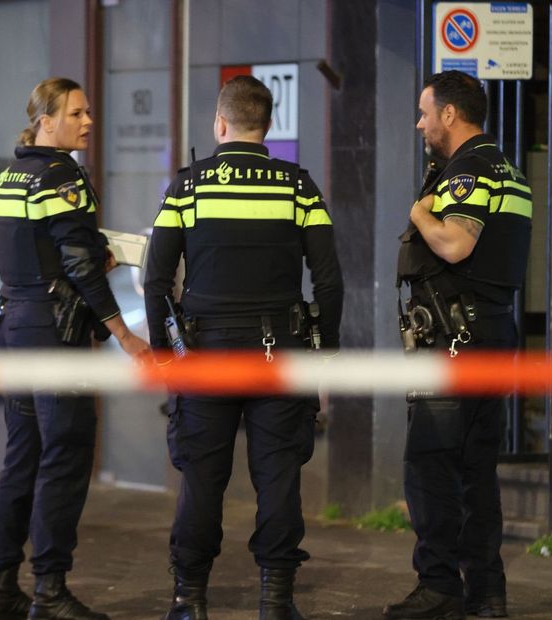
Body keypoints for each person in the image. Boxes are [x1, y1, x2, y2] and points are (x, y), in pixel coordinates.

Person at [144, 75, 343, 620]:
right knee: (278, 476)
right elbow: (328, 281)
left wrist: (164, 353)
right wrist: (325, 358)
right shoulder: (298, 187)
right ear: (269, 125)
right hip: (281, 352)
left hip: (204, 357)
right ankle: (275, 603)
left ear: (220, 123)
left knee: (202, 480)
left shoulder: (187, 187)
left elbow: (156, 279)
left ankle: (189, 601)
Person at [0, 77, 150, 620]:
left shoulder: (10, 175)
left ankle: (1, 590)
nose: (88, 121)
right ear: (45, 121)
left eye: (88, 111)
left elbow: (21, 255)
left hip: (14, 328)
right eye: (76, 113)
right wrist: (124, 334)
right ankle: (50, 591)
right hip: (56, 335)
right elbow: (79, 265)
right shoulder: (61, 175)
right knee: (65, 456)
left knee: (22, 458)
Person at [385, 71, 532, 620]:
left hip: (453, 340)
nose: (421, 123)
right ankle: (487, 592)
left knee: (430, 465)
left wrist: (420, 210)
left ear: (450, 114)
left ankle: (439, 586)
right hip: (493, 333)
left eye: (426, 113)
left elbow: (454, 243)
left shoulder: (468, 170)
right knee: (477, 468)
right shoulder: (511, 172)